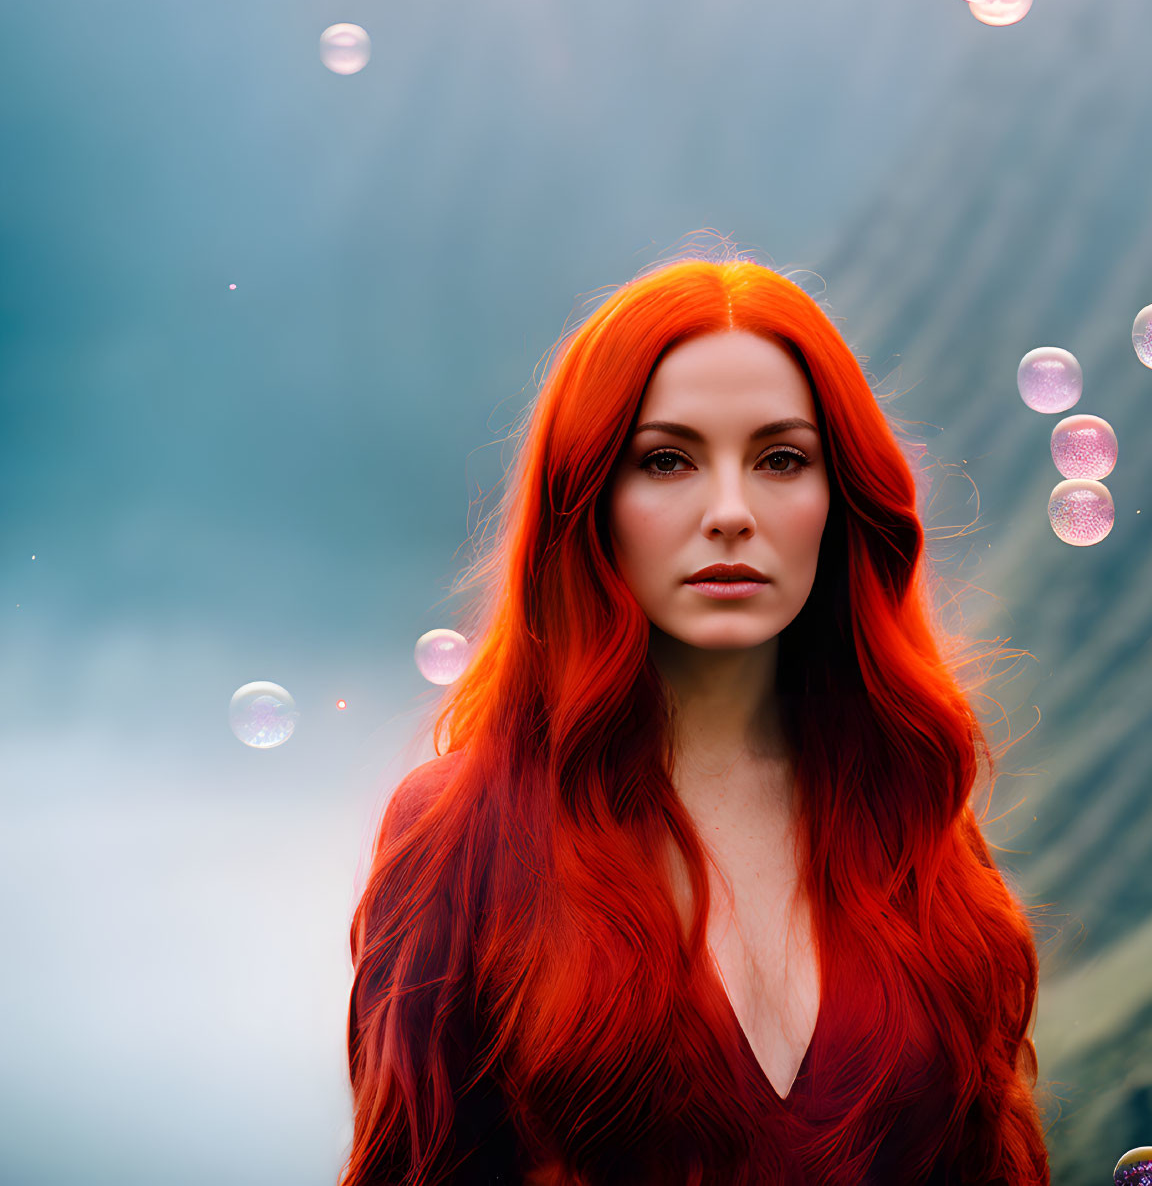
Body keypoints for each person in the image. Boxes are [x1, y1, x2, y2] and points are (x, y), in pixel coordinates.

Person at [340, 246, 1055, 1186]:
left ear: (841, 502)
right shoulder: (458, 836)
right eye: (667, 460)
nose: (729, 511)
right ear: (588, 498)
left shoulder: (920, 821)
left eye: (782, 459)